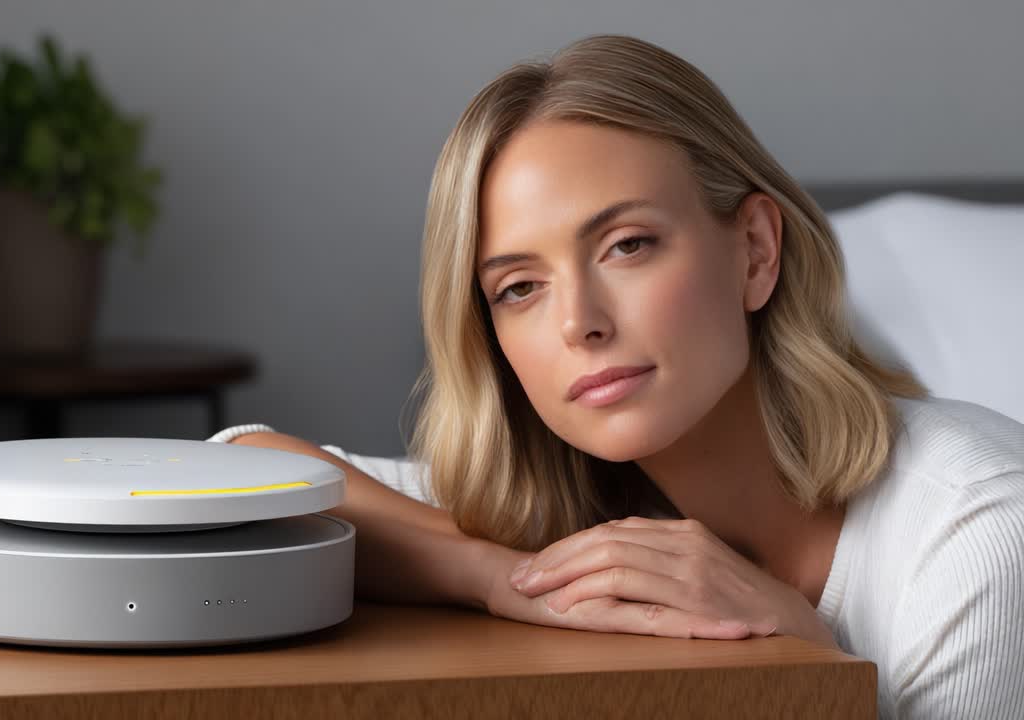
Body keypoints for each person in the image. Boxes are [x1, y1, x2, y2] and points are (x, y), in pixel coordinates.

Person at [210, 35, 1024, 719]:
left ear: (756, 252)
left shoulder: (981, 532)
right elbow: (233, 471)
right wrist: (502, 577)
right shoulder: (577, 516)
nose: (579, 323)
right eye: (519, 287)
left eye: (627, 245)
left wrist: (808, 668)